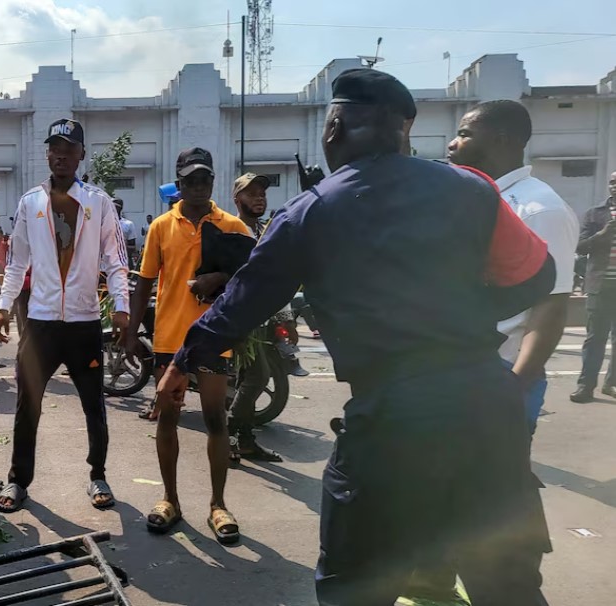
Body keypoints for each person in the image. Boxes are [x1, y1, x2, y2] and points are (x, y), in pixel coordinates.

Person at [156, 69, 555, 604]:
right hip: (488, 406)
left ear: (335, 126)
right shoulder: (472, 189)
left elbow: (241, 302)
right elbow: (539, 276)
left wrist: (180, 365)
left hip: (394, 419)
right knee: (507, 588)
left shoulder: (313, 211)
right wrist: (463, 314)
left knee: (355, 587)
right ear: (403, 131)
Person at [0, 119, 131, 513]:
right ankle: (18, 480)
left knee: (93, 403)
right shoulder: (30, 202)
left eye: (70, 149)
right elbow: (17, 262)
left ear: (82, 155)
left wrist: (121, 307)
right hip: (40, 323)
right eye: (55, 148)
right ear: (47, 153)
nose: (61, 155)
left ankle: (98, 475)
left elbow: (116, 260)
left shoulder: (98, 202)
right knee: (28, 404)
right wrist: (3, 307)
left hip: (85, 322)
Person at [125, 147, 251, 544]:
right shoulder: (161, 226)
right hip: (169, 340)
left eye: (205, 179)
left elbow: (254, 278)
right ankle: (170, 500)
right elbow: (145, 281)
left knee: (216, 420)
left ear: (213, 182)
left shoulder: (233, 226)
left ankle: (218, 504)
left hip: (215, 337)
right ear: (178, 184)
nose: (198, 186)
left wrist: (220, 278)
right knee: (168, 418)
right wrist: (130, 332)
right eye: (190, 180)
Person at [448, 99, 579, 426]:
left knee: (493, 474)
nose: (452, 144)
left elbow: (551, 307)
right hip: (458, 366)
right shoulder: (478, 197)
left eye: (465, 134)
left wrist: (515, 385)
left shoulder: (538, 208)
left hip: (500, 372)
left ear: (500, 140)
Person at [227, 172, 295, 460]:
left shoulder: (263, 231)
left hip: (261, 318)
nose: (259, 198)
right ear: (237, 199)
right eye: (252, 193)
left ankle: (243, 438)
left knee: (247, 378)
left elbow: (274, 277)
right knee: (259, 376)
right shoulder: (232, 231)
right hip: (241, 318)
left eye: (262, 193)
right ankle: (229, 432)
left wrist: (284, 317)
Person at [570, 170, 616, 402]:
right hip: (601, 286)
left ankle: (611, 384)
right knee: (595, 338)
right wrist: (603, 234)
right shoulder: (595, 214)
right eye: (611, 182)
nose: (614, 186)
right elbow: (580, 246)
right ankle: (585, 386)